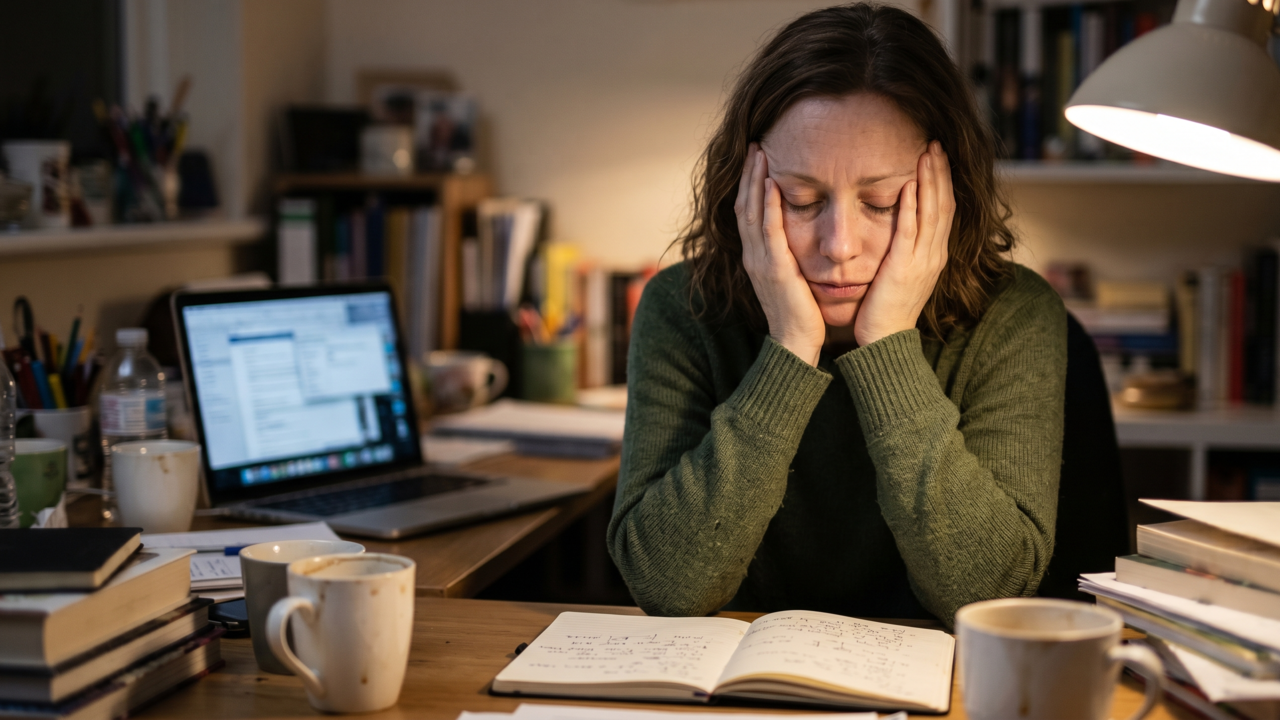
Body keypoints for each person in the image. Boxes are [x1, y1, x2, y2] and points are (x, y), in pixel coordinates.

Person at [606, 3, 1067, 626]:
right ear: (746, 191)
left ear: (946, 194)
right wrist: (792, 347)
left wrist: (889, 346)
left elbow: (986, 594)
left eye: (879, 203)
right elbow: (667, 586)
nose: (838, 244)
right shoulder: (682, 307)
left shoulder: (1015, 316)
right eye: (801, 200)